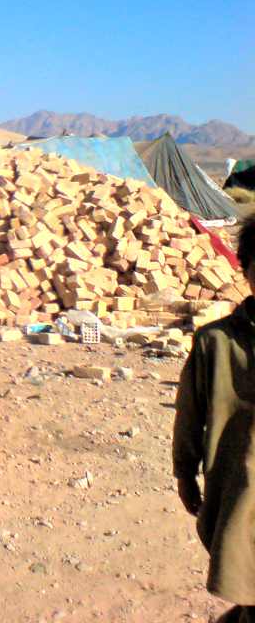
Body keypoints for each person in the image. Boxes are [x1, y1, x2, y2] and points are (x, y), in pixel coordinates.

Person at [173, 215, 255, 622]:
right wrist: (184, 473)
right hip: (236, 489)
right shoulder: (215, 343)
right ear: (246, 269)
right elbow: (191, 413)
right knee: (246, 576)